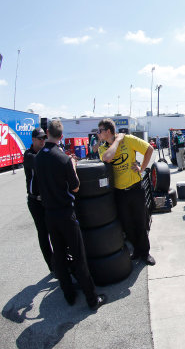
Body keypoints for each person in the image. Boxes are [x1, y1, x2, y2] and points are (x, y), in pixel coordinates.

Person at [34, 119, 106, 309]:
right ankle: (92, 299)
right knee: (79, 257)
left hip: (49, 214)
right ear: (62, 136)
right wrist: (73, 166)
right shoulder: (64, 159)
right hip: (66, 214)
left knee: (59, 255)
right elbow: (75, 187)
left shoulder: (38, 157)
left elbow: (35, 189)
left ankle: (69, 294)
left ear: (47, 134)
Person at [97, 118, 156, 266]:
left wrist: (142, 169)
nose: (98, 134)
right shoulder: (103, 148)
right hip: (119, 193)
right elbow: (107, 158)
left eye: (100, 131)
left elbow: (149, 149)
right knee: (127, 224)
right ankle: (136, 250)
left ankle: (145, 252)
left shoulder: (128, 140)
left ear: (108, 131)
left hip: (135, 188)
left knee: (140, 221)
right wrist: (117, 141)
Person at [23, 127, 53, 272]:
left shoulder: (44, 153)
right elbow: (41, 163)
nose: (43, 141)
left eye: (44, 138)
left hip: (48, 200)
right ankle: (51, 265)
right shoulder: (29, 155)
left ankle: (60, 260)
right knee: (43, 233)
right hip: (35, 201)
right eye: (40, 139)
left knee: (54, 230)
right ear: (33, 140)